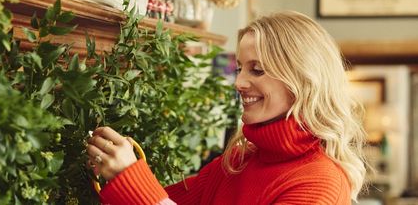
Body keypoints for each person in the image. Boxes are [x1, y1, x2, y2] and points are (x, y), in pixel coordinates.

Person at [87, 11, 367, 204]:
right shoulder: (238, 161)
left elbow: (150, 198)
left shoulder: (320, 184)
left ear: (303, 81)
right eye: (240, 68)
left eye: (257, 70)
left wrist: (132, 179)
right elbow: (164, 199)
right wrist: (117, 175)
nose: (239, 83)